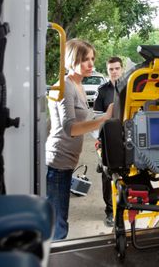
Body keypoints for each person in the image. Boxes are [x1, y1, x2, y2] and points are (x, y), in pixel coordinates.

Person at [46, 38, 113, 240]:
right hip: (57, 162)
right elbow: (70, 128)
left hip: (67, 162)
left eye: (92, 58)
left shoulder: (79, 85)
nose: (91, 64)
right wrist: (104, 119)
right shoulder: (64, 86)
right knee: (58, 226)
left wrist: (102, 131)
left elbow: (86, 120)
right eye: (85, 59)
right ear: (71, 60)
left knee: (59, 220)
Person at [93, 56, 123, 227]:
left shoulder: (129, 88)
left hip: (126, 137)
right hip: (106, 138)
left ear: (122, 68)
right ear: (107, 70)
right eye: (111, 69)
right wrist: (98, 139)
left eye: (117, 68)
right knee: (108, 174)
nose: (114, 72)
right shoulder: (102, 90)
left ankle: (127, 204)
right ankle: (110, 211)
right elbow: (96, 117)